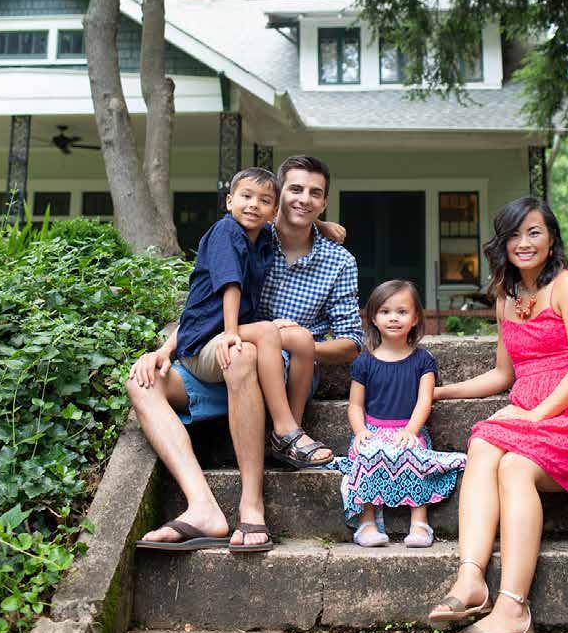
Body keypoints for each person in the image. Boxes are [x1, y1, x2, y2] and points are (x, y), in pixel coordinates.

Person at [127, 155, 363, 552]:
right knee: (143, 383)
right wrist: (165, 349)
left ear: (324, 202)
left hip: (282, 370)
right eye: (295, 190)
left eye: (315, 194)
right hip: (224, 352)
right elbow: (209, 301)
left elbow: (352, 343)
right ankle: (202, 508)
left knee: (245, 353)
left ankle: (252, 505)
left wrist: (297, 340)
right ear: (279, 199)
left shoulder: (338, 261)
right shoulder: (250, 232)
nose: (304, 199)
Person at [428, 196, 568, 633]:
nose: (524, 242)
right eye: (514, 234)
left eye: (534, 232)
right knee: (483, 443)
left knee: (515, 466)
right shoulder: (507, 297)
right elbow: (503, 375)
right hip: (533, 413)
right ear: (503, 243)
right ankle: (471, 579)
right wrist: (439, 392)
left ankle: (514, 608)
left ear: (551, 239)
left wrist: (535, 415)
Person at [338, 279, 465, 548]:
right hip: (372, 430)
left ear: (415, 318)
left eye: (402, 312)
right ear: (373, 318)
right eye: (385, 311)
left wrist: (411, 430)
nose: (393, 318)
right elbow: (356, 405)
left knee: (413, 454)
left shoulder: (423, 360)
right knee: (366, 454)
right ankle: (367, 522)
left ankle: (419, 522)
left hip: (409, 429)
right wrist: (360, 431)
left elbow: (424, 401)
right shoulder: (364, 362)